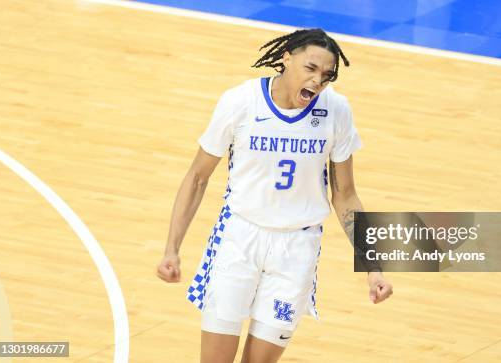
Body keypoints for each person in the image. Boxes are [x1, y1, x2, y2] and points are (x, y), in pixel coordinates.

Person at [156, 28, 393, 363]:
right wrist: (172, 249)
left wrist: (374, 267)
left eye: (326, 75)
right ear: (286, 59)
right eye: (310, 68)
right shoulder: (240, 102)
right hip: (239, 239)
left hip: (296, 250)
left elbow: (346, 195)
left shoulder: (336, 111)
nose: (316, 81)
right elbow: (197, 177)